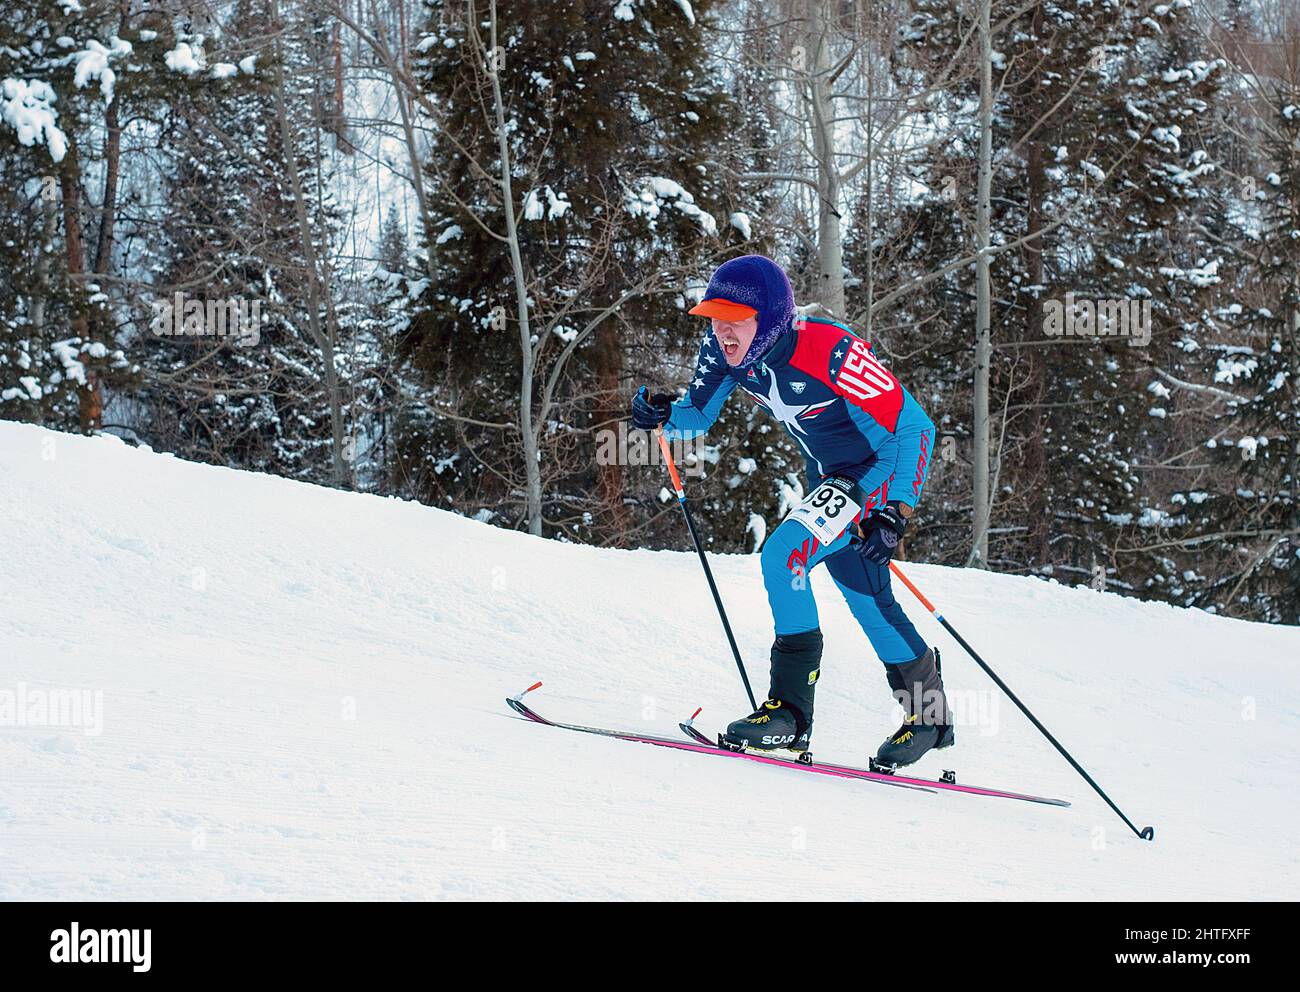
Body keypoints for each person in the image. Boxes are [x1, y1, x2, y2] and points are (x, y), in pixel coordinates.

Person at [630, 254, 952, 769]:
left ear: (769, 319)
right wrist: (664, 411)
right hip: (831, 475)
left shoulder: (832, 350)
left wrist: (896, 511)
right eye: (715, 320)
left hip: (877, 467)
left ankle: (789, 716)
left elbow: (915, 427)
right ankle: (930, 717)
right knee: (865, 594)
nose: (722, 334)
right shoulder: (725, 349)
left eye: (734, 322)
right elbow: (696, 416)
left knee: (785, 556)